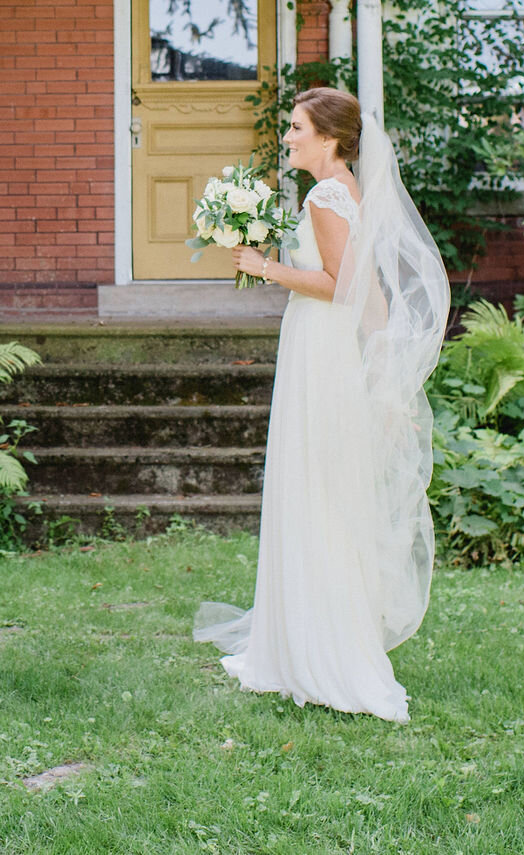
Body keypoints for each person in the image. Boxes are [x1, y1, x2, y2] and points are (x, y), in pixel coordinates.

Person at [194, 88, 450, 721]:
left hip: (321, 349)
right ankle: (310, 635)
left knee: (317, 488)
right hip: (330, 353)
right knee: (329, 491)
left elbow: (340, 288)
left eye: (297, 128)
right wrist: (383, 369)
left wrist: (266, 266)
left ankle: (322, 650)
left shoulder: (324, 195)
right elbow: (369, 295)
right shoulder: (347, 192)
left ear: (330, 138)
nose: (288, 138)